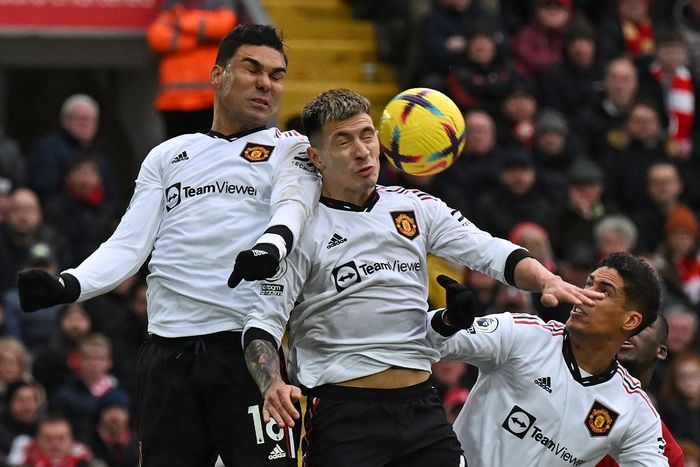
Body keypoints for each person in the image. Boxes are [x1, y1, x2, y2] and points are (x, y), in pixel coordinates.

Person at [239, 88, 601, 466]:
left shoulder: (415, 207)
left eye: (366, 135)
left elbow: (491, 251)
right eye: (342, 141)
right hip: (343, 414)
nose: (362, 150)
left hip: (422, 408)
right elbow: (262, 322)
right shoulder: (302, 228)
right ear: (316, 157)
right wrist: (272, 384)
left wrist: (546, 280)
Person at [16, 24, 321, 466]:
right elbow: (129, 244)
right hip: (166, 355)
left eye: (276, 75)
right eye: (252, 69)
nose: (265, 84)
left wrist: (269, 249)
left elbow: (292, 209)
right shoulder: (167, 154)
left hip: (247, 351)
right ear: (217, 76)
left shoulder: (289, 147)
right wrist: (68, 285)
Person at [427, 252, 668, 465]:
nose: (583, 294)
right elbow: (422, 336)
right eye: (589, 283)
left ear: (630, 321)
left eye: (604, 291)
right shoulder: (525, 335)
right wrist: (448, 321)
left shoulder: (635, 411)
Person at [596, 316, 685, 466]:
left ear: (661, 351)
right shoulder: (567, 386)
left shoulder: (667, 452)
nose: (631, 331)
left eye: (643, 326)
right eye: (625, 324)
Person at [146, 0, 237, 139]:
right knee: (175, 156)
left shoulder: (219, 2)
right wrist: (198, 39)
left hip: (208, 101)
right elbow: (157, 37)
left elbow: (223, 25)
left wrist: (179, 21)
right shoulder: (172, 4)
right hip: (173, 103)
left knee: (207, 153)